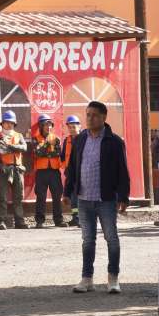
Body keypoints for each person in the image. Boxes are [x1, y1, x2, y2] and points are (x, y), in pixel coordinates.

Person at [63, 101, 130, 294]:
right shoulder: (80, 140)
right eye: (88, 114)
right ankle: (87, 279)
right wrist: (67, 192)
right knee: (87, 240)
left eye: (94, 115)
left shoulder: (114, 141)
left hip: (106, 199)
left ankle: (113, 279)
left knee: (112, 239)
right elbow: (72, 168)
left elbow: (122, 171)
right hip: (84, 199)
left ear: (104, 117)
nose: (90, 118)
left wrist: (123, 197)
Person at [0, 110, 31, 229]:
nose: (9, 124)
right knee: (2, 197)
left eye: (11, 122)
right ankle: (1, 221)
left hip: (17, 169)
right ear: (2, 123)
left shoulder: (19, 135)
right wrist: (15, 148)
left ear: (14, 124)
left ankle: (19, 221)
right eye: (7, 122)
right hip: (3, 170)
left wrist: (10, 146)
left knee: (18, 197)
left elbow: (24, 148)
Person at [32, 113, 66, 228]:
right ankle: (39, 221)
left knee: (57, 196)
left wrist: (44, 151)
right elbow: (37, 153)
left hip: (54, 171)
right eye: (46, 125)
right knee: (40, 196)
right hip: (41, 172)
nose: (48, 127)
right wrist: (47, 144)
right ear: (41, 126)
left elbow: (57, 153)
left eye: (50, 125)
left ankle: (58, 220)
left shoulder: (56, 139)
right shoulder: (35, 139)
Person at [63, 114, 83, 227]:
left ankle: (83, 219)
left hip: (82, 173)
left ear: (79, 126)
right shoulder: (67, 141)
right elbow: (62, 156)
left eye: (74, 127)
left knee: (82, 196)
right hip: (71, 173)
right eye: (70, 127)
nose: (72, 129)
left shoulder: (85, 138)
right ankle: (75, 218)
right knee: (73, 197)